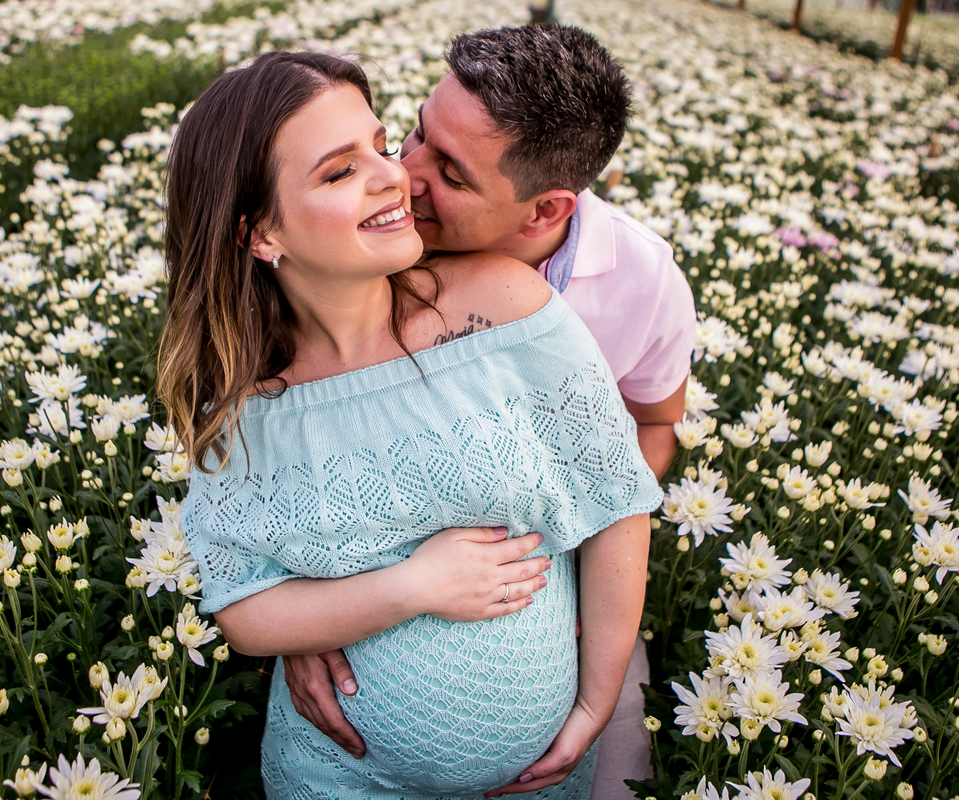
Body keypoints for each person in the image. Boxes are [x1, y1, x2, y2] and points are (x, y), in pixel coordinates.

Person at [160, 51, 661, 798]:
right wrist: (413, 587)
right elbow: (245, 608)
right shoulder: (246, 404)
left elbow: (616, 499)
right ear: (260, 234)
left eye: (381, 143)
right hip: (335, 775)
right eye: (338, 172)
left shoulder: (505, 304)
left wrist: (596, 700)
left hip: (542, 775)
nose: (395, 175)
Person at [281, 26, 697, 799]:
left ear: (545, 211)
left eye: (452, 174)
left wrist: (585, 560)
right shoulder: (374, 245)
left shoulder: (645, 281)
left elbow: (653, 425)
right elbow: (293, 428)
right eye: (415, 132)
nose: (402, 176)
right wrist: (303, 615)